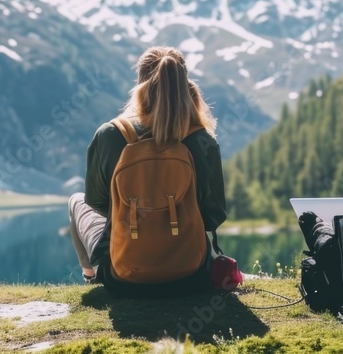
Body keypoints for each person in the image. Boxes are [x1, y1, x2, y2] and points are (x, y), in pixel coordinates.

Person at [67, 46, 227, 295]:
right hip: (191, 274)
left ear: (140, 83)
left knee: (76, 201)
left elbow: (97, 203)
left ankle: (92, 276)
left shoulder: (111, 134)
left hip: (124, 277)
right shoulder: (202, 139)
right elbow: (213, 215)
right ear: (185, 84)